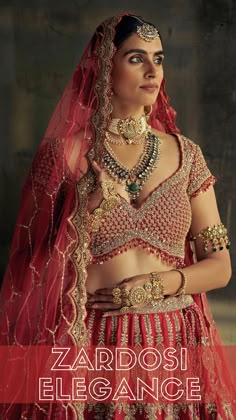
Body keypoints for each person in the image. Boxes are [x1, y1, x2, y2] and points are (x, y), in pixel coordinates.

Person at [0, 13, 235, 419]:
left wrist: (156, 285)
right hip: (91, 341)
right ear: (102, 65)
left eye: (158, 59)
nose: (152, 71)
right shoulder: (65, 156)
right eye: (135, 58)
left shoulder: (187, 155)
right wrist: (83, 214)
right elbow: (30, 276)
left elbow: (220, 268)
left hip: (175, 341)